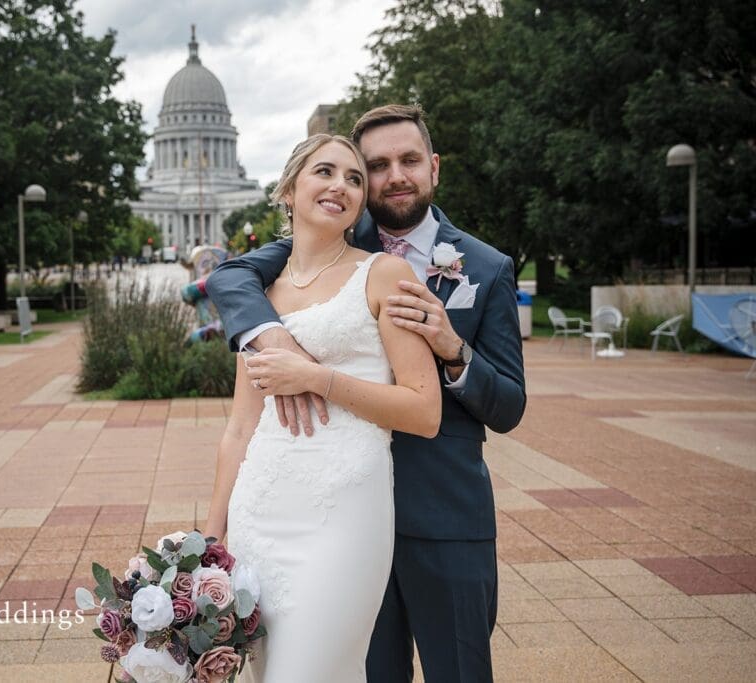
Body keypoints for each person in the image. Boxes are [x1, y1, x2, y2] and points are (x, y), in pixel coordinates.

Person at [205, 104, 526, 682]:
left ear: (433, 167)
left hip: (442, 515)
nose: (393, 176)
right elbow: (230, 277)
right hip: (315, 509)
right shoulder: (318, 242)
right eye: (376, 166)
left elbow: (508, 407)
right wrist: (211, 534)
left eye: (409, 161)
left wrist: (454, 350)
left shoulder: (486, 266)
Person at [203, 133, 442, 682]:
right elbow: (241, 427)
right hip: (261, 510)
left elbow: (425, 411)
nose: (341, 186)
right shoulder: (259, 297)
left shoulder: (384, 274)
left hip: (344, 513)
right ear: (289, 189)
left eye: (355, 179)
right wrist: (211, 541)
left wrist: (318, 378)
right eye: (325, 172)